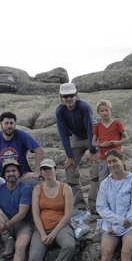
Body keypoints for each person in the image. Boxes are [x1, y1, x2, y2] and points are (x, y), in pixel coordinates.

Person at [17, 159, 76, 261]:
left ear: (55, 170)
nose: (47, 171)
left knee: (70, 246)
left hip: (61, 227)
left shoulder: (66, 188)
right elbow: (36, 214)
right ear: (41, 172)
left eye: (49, 168)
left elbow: (68, 214)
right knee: (34, 258)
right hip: (42, 229)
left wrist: (54, 232)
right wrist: (43, 234)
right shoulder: (37, 189)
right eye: (44, 169)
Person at [55, 82, 99, 213]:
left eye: (71, 95)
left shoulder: (84, 106)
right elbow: (63, 134)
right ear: (61, 98)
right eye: (65, 96)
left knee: (97, 167)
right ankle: (79, 205)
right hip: (76, 138)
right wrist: (69, 156)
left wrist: (93, 151)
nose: (69, 99)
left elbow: (90, 128)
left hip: (93, 135)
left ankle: (94, 204)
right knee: (69, 169)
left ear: (77, 96)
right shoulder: (59, 111)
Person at [0, 111, 44, 183]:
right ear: (1, 124)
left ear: (15, 124)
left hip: (21, 176)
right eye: (6, 123)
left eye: (11, 123)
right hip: (0, 177)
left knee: (35, 183)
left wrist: (37, 172)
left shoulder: (21, 135)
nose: (9, 126)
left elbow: (39, 150)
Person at [92, 99, 128, 183]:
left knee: (119, 178)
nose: (104, 113)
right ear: (98, 113)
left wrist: (116, 143)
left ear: (111, 111)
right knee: (103, 180)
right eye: (101, 111)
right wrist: (101, 145)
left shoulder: (117, 124)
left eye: (106, 110)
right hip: (104, 158)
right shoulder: (97, 126)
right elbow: (93, 142)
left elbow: (126, 138)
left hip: (117, 157)